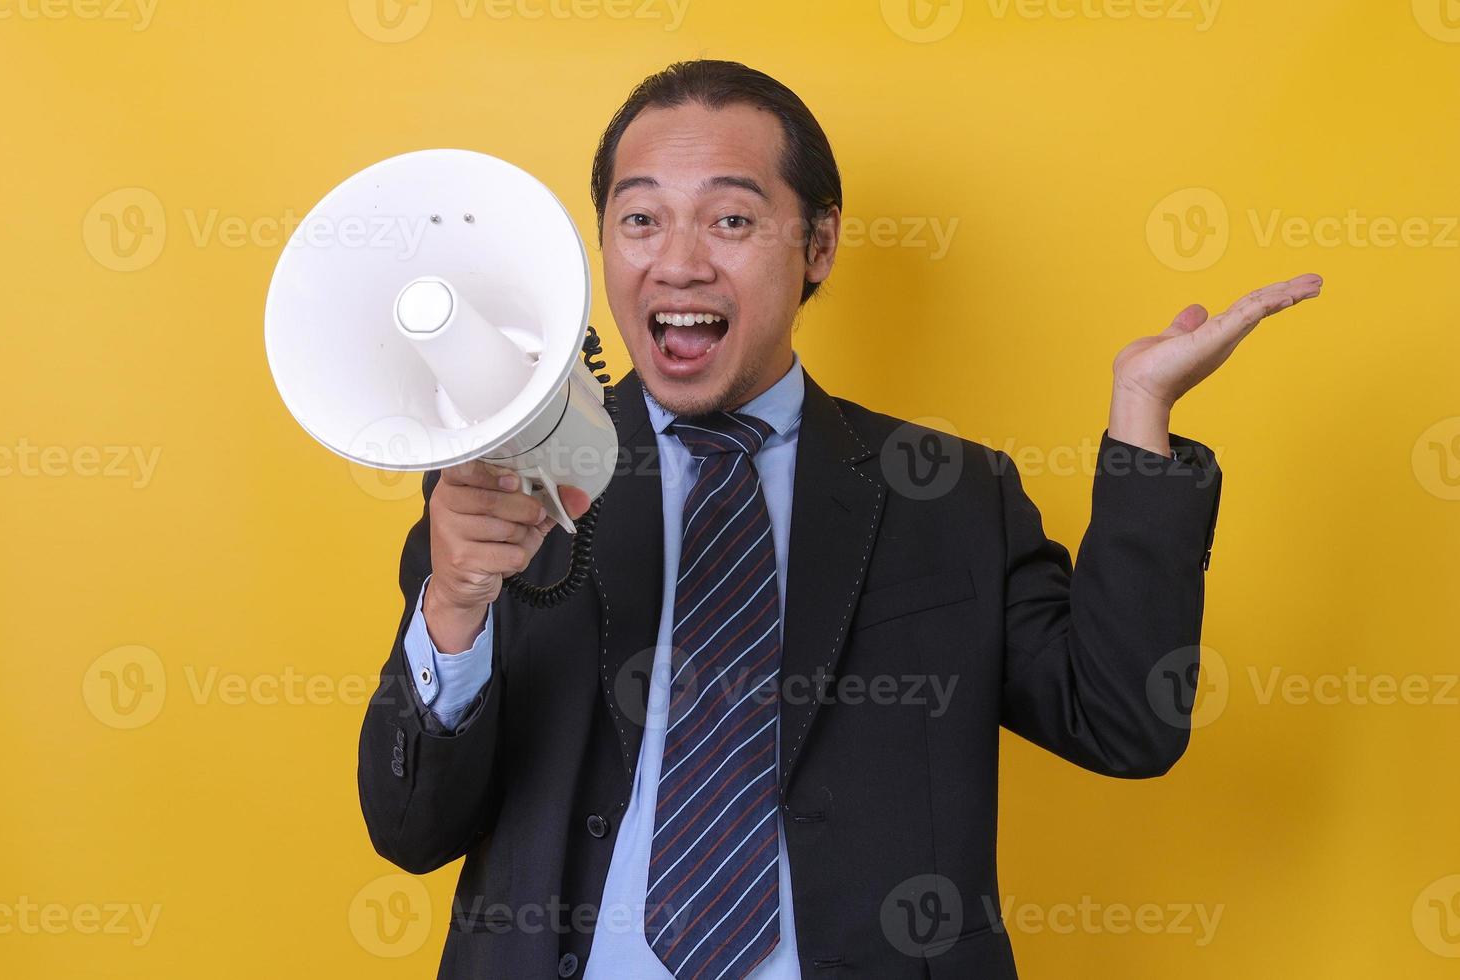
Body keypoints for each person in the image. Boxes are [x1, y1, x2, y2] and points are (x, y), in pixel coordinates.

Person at [357, 59, 1322, 979]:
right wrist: (454, 606)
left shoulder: (950, 492)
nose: (679, 262)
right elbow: (411, 830)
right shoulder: (502, 486)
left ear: (818, 243)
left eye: (731, 218)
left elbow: (1125, 725)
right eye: (641, 217)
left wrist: (1141, 422)